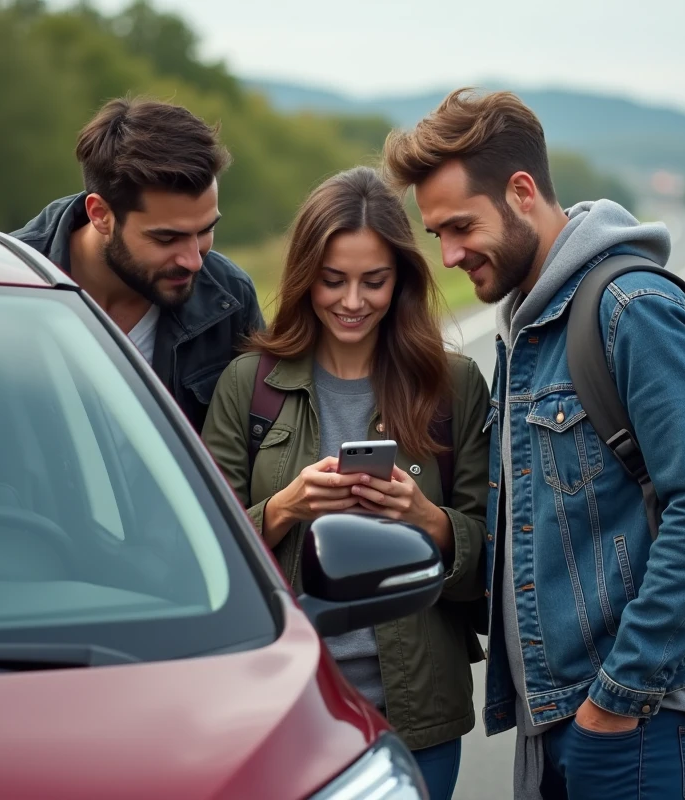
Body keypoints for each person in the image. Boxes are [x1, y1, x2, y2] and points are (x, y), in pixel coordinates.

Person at [383, 89, 685, 799]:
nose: (450, 254)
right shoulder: (530, 323)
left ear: (522, 192)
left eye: (462, 226)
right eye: (437, 235)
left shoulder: (633, 310)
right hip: (560, 715)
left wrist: (614, 699)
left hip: (638, 719)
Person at [200, 166, 490, 800]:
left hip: (417, 713)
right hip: (283, 707)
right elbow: (203, 555)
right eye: (333, 280)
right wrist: (282, 508)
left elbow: (494, 563)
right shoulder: (248, 385)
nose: (352, 301)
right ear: (306, 276)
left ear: (402, 282)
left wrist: (428, 522)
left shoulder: (454, 386)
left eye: (374, 281)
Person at [11, 97, 264, 434]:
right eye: (166, 238)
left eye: (206, 230)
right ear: (100, 214)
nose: (192, 260)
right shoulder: (3, 285)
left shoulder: (229, 297)